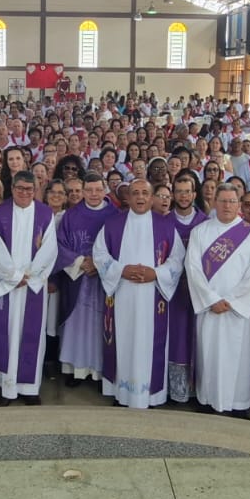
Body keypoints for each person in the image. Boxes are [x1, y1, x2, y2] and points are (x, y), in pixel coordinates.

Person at [99, 178, 187, 409]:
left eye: (144, 193)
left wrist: (156, 274)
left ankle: (151, 395)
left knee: (149, 342)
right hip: (122, 296)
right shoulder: (112, 224)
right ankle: (123, 392)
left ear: (152, 198)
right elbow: (99, 255)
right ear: (127, 197)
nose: (139, 197)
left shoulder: (166, 226)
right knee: (124, 340)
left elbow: (177, 259)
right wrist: (121, 270)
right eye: (135, 193)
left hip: (152, 296)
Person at [0, 171, 58, 405]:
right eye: (20, 188)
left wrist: (32, 277)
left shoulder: (45, 214)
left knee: (32, 335)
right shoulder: (0, 213)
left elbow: (50, 249)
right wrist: (14, 276)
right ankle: (6, 388)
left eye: (30, 189)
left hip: (32, 287)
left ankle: (29, 388)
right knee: (6, 335)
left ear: (36, 190)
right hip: (9, 286)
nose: (25, 193)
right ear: (12, 189)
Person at [55, 173, 116, 386]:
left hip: (103, 280)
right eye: (89, 190)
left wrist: (99, 265)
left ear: (105, 190)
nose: (93, 194)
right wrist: (81, 261)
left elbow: (120, 246)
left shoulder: (115, 215)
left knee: (102, 324)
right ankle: (76, 370)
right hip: (78, 278)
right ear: (82, 191)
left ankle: (100, 372)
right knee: (78, 324)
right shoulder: (71, 215)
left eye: (98, 189)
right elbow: (60, 244)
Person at [166, 172, 207, 402]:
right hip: (171, 291)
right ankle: (173, 389)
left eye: (187, 191)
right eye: (179, 191)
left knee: (197, 337)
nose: (183, 196)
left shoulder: (205, 224)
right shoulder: (163, 222)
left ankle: (195, 389)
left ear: (194, 193)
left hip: (198, 292)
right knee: (174, 337)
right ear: (173, 194)